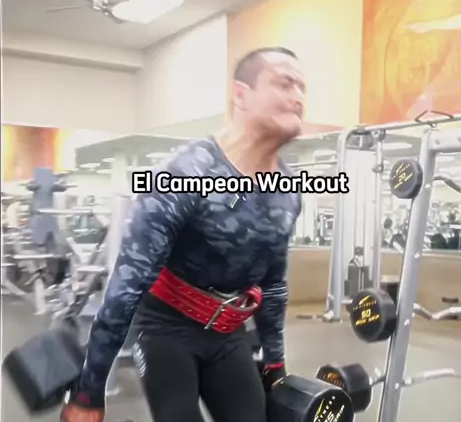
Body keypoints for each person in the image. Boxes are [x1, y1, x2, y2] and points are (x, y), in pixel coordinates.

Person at [60, 47, 306, 422]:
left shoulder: (287, 189)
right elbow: (126, 287)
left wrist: (275, 363)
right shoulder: (183, 173)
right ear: (240, 95)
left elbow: (272, 283)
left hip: (228, 331)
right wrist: (89, 392)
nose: (298, 97)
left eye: (302, 88)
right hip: (165, 327)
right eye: (285, 84)